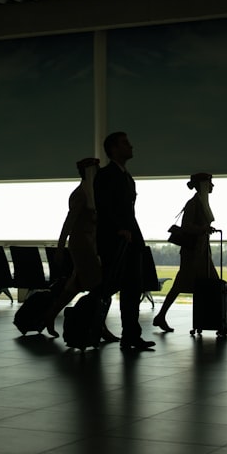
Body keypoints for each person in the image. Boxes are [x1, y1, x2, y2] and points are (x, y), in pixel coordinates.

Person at [43, 157, 117, 341]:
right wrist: (60, 246)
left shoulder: (92, 193)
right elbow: (69, 221)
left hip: (89, 244)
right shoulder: (81, 194)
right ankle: (100, 327)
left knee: (75, 287)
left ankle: (49, 316)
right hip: (82, 245)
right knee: (98, 287)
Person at [93, 132, 155, 351]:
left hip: (129, 238)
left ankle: (131, 334)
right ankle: (99, 327)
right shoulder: (107, 175)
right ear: (113, 149)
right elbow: (105, 206)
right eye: (125, 143)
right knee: (116, 286)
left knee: (132, 287)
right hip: (116, 240)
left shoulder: (125, 176)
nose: (131, 146)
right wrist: (119, 229)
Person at [152, 172, 220, 333]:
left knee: (197, 284)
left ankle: (218, 318)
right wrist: (203, 228)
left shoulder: (200, 203)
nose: (212, 186)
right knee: (208, 284)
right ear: (204, 185)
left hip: (200, 252)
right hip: (194, 253)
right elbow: (186, 226)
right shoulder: (194, 204)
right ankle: (219, 318)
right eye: (210, 183)